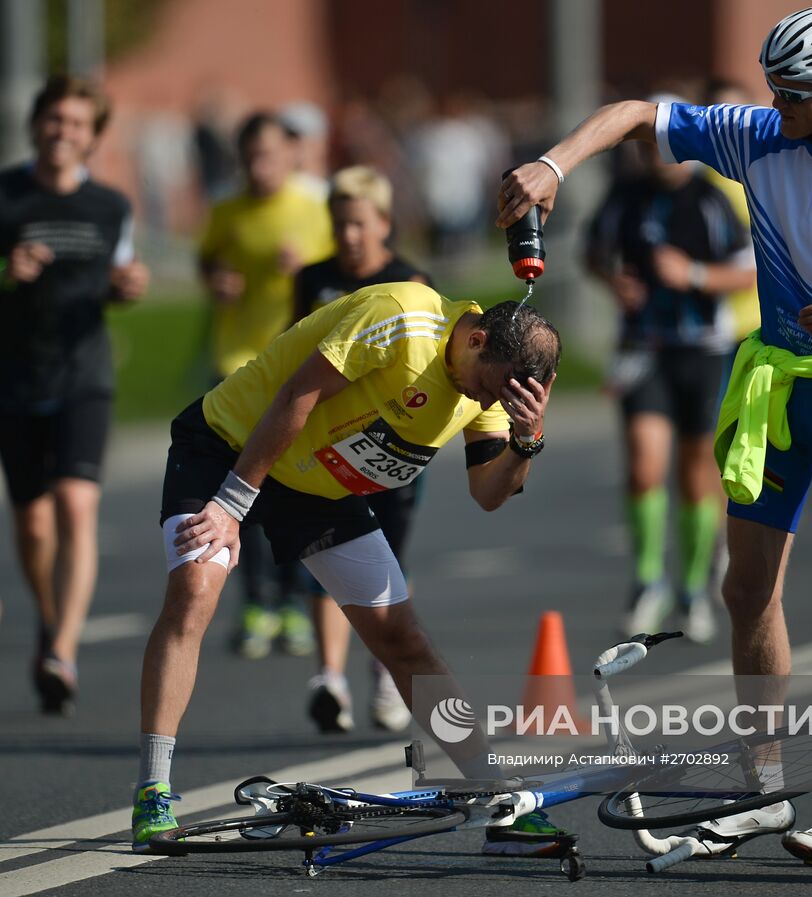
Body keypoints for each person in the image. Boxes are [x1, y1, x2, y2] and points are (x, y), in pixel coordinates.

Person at [500, 6, 812, 866]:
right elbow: (642, 113)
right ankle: (762, 791)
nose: (775, 105)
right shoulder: (759, 135)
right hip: (775, 384)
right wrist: (554, 163)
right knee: (745, 588)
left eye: (792, 95)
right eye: (772, 90)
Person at [132, 284, 568, 857]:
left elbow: (489, 494)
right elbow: (299, 393)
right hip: (231, 448)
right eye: (487, 390)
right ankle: (153, 791)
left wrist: (527, 439)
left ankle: (493, 790)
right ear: (477, 340)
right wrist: (233, 503)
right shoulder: (402, 319)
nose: (487, 405)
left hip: (316, 487)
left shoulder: (489, 389)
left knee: (402, 638)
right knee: (194, 592)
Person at [0, 75, 149, 714]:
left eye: (78, 124)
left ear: (93, 137)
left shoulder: (111, 206)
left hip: (84, 375)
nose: (64, 133)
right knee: (32, 521)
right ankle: (50, 618)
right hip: (13, 378)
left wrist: (128, 287)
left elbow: (119, 277)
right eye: (55, 120)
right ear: (37, 125)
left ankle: (61, 647)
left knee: (75, 508)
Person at [584, 96, 755, 644]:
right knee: (642, 463)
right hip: (642, 348)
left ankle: (691, 588)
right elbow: (592, 251)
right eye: (647, 142)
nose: (656, 152)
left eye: (664, 142)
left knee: (695, 474)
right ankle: (646, 583)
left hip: (702, 349)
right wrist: (613, 282)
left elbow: (748, 271)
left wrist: (695, 275)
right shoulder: (623, 196)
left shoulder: (710, 199)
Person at [292, 165, 430, 733]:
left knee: (386, 561)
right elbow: (294, 347)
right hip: (324, 442)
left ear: (383, 224)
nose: (348, 235)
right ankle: (330, 678)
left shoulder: (409, 281)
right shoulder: (313, 278)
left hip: (389, 441)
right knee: (325, 551)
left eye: (358, 224)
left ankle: (383, 676)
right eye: (339, 223)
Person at [199, 112, 333, 660]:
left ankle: (295, 601)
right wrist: (218, 278)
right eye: (251, 158)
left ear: (291, 156)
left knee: (297, 488)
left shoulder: (315, 208)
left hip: (298, 366)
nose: (260, 168)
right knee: (241, 489)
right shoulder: (228, 209)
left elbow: (343, 274)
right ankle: (256, 603)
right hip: (238, 361)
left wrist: (308, 266)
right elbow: (207, 257)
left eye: (269, 157)